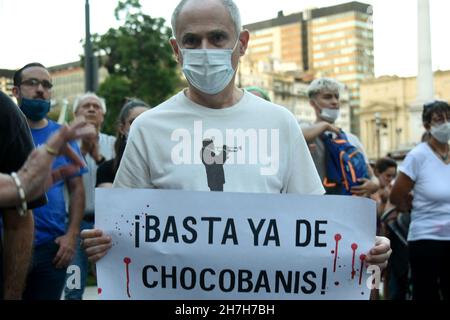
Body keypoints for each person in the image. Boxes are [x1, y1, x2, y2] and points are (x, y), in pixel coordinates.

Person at [82, 0, 391, 276]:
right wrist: (104, 243)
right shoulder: (148, 128)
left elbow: (314, 224)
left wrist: (362, 245)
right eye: (192, 40)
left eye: (217, 38)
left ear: (241, 43)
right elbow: (127, 227)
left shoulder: (279, 122)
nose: (205, 50)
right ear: (177, 50)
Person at [0, 91, 95, 299]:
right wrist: (19, 183)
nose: (40, 90)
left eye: (46, 84)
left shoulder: (5, 112)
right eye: (31, 83)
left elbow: (20, 217)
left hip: (50, 246)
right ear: (16, 90)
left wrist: (71, 235)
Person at [390, 100, 450, 300]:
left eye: (449, 118)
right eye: (439, 119)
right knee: (426, 293)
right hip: (426, 238)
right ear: (427, 125)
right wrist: (410, 207)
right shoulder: (418, 156)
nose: (446, 123)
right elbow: (396, 195)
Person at [64, 92, 115, 300]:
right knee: (73, 285)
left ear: (103, 115)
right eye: (86, 106)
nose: (92, 109)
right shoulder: (64, 144)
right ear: (76, 114)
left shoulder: (113, 144)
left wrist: (99, 157)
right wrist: (83, 152)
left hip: (109, 225)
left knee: (111, 284)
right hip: (74, 226)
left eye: (96, 106)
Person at [302, 78, 379, 197]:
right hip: (318, 204)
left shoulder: (351, 139)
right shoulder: (308, 132)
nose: (334, 102)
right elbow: (299, 135)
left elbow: (372, 175)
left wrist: (374, 185)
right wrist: (325, 125)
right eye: (327, 97)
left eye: (336, 97)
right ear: (312, 103)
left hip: (347, 204)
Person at [96, 99, 149, 188]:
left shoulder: (165, 166)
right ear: (122, 128)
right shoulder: (107, 169)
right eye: (134, 122)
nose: (142, 127)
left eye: (148, 121)